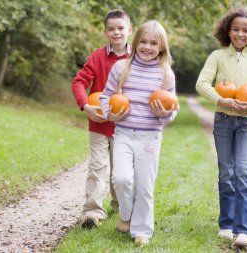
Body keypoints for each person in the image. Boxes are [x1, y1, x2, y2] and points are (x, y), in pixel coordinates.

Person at [196, 6, 247, 247]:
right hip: (223, 120)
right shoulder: (217, 56)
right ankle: (227, 224)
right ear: (228, 31)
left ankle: (243, 231)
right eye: (236, 29)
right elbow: (202, 84)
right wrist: (221, 100)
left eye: (246, 30)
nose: (240, 34)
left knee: (242, 171)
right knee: (227, 173)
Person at [100, 20, 179, 247]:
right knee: (121, 179)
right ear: (135, 43)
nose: (147, 46)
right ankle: (126, 214)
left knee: (144, 186)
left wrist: (164, 115)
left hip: (150, 138)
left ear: (162, 47)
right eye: (143, 41)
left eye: (153, 43)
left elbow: (172, 108)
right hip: (123, 133)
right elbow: (106, 96)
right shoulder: (121, 68)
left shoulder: (165, 75)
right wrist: (111, 115)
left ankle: (142, 230)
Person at [71, 9, 132, 229]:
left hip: (125, 124)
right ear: (105, 32)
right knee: (97, 166)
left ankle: (121, 208)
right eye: (112, 29)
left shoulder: (137, 58)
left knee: (121, 170)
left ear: (129, 30)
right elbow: (79, 83)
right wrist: (85, 105)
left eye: (121, 28)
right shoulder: (97, 57)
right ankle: (92, 212)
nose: (116, 33)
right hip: (98, 122)